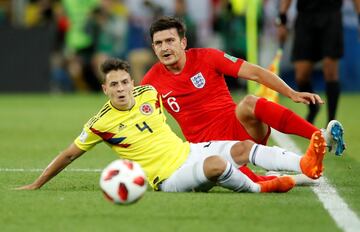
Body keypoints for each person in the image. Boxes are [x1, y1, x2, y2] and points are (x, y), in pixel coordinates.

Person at [17, 58, 329, 193]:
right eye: (114, 85)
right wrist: (37, 183)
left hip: (190, 151)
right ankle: (261, 187)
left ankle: (307, 163)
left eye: (125, 82)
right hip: (168, 177)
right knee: (217, 165)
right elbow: (69, 154)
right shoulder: (100, 123)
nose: (122, 88)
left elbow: (182, 90)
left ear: (132, 82)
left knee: (245, 148)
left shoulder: (148, 93)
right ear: (105, 89)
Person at [140, 16, 346, 183]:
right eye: (158, 43)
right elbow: (139, 120)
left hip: (238, 127)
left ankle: (321, 137)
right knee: (251, 183)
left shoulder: (208, 57)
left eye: (170, 41)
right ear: (153, 47)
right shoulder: (150, 83)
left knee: (249, 102)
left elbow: (255, 73)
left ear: (183, 42)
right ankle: (297, 175)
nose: (164, 48)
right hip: (205, 148)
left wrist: (291, 93)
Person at [276, 0, 360, 124]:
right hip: (305, 18)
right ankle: (313, 107)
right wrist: (282, 21)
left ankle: (331, 122)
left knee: (330, 71)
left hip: (331, 16)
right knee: (301, 76)